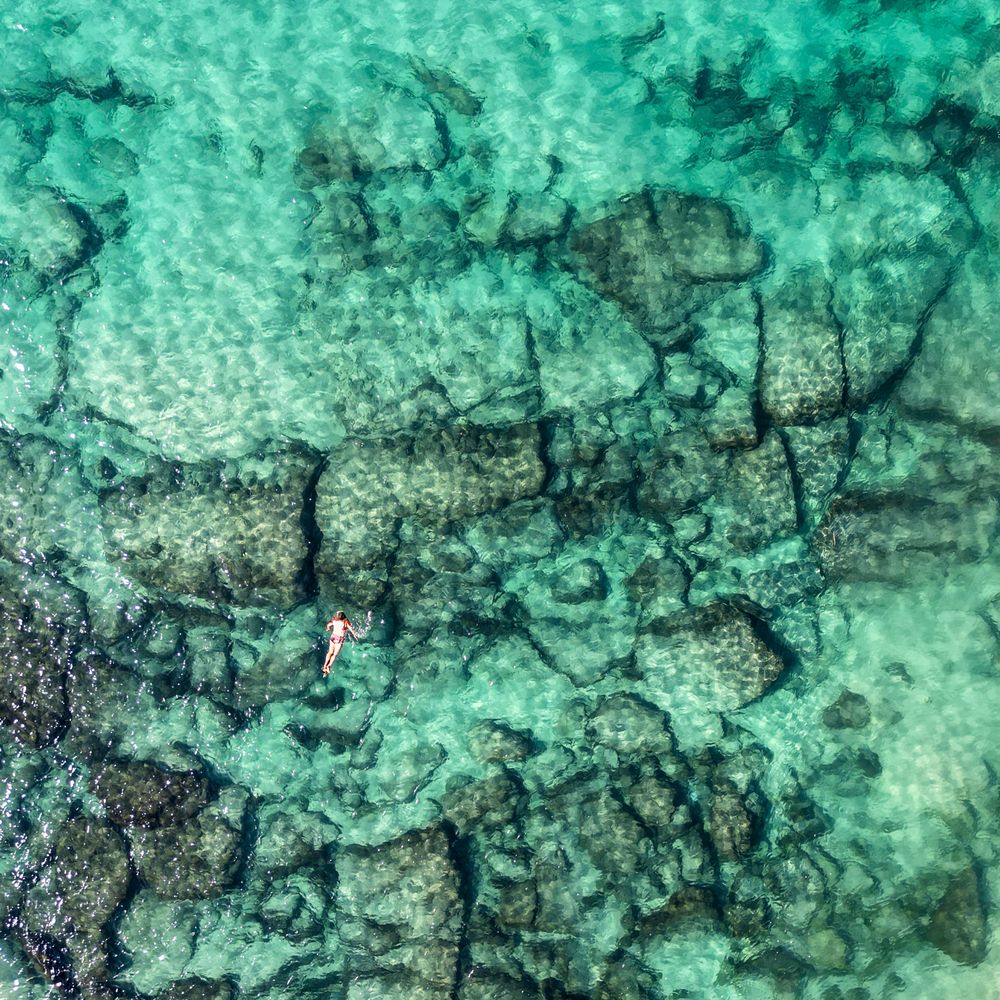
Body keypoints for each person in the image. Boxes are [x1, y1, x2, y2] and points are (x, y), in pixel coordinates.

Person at [322, 611, 359, 676]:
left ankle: (325, 665)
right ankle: (329, 666)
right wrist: (355, 635)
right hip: (339, 639)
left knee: (330, 652)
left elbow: (328, 625)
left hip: (333, 637)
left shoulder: (334, 620)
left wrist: (328, 628)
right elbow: (351, 629)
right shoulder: (345, 622)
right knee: (334, 654)